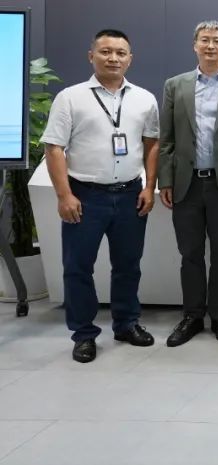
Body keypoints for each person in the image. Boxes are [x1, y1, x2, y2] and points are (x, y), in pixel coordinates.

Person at [41, 29, 160, 363]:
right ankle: (83, 334)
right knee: (78, 267)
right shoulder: (70, 98)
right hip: (85, 195)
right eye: (106, 51)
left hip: (130, 195)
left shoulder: (144, 99)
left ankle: (126, 323)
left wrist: (149, 186)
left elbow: (152, 144)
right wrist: (64, 195)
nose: (113, 58)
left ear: (130, 59)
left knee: (128, 265)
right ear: (91, 55)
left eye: (121, 53)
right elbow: (54, 148)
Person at [158, 20, 218, 347]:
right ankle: (192, 316)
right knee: (190, 254)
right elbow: (166, 139)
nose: (210, 46)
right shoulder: (175, 86)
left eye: (217, 41)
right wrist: (165, 180)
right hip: (186, 184)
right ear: (194, 45)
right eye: (204, 40)